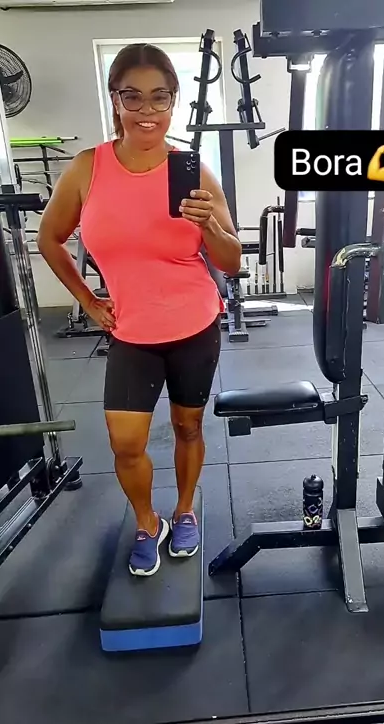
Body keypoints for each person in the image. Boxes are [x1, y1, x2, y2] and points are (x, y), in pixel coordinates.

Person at [37, 43, 241, 576]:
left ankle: (185, 510)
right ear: (116, 100)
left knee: (188, 427)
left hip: (194, 323)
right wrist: (87, 299)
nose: (147, 110)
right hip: (131, 331)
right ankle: (148, 523)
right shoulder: (88, 168)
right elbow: (49, 239)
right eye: (133, 97)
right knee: (126, 444)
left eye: (160, 97)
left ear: (174, 101)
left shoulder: (192, 171)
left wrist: (208, 225)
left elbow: (232, 260)